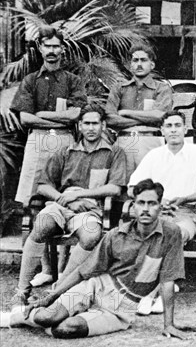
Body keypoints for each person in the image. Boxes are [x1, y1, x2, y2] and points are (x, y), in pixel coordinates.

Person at [1, 179, 188, 340]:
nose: (146, 209)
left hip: (122, 307)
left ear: (160, 206)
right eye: (141, 203)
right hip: (96, 286)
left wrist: (168, 324)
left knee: (64, 329)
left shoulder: (171, 234)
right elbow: (84, 271)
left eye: (152, 203)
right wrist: (50, 297)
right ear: (133, 206)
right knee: (46, 318)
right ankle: (15, 317)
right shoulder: (116, 235)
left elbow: (167, 281)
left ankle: (72, 314)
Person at [12, 105, 126, 305]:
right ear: (79, 126)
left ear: (103, 125)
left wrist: (81, 195)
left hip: (90, 209)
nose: (91, 128)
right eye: (87, 123)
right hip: (61, 204)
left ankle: (59, 288)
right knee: (41, 224)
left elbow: (115, 188)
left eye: (95, 123)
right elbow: (43, 185)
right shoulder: (65, 151)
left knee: (91, 235)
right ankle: (22, 291)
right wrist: (62, 198)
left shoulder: (114, 153)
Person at [11, 25, 87, 287]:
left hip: (65, 141)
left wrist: (42, 115)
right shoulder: (31, 80)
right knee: (33, 204)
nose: (52, 51)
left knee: (65, 199)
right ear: (40, 48)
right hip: (37, 143)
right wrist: (49, 118)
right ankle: (43, 268)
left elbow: (75, 115)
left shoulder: (72, 80)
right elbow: (24, 118)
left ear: (62, 49)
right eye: (47, 46)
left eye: (56, 46)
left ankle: (64, 268)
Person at [128, 110, 196, 313]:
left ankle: (150, 293)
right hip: (156, 212)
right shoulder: (154, 155)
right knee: (152, 234)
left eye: (178, 125)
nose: (174, 130)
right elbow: (132, 187)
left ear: (185, 129)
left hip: (187, 211)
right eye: (169, 126)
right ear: (162, 130)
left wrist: (185, 198)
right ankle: (163, 288)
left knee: (170, 234)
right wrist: (156, 201)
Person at [105, 44, 173, 181]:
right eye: (135, 61)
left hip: (151, 141)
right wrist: (146, 118)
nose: (139, 64)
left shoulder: (162, 88)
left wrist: (125, 112)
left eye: (143, 60)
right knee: (121, 186)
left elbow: (160, 116)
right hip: (123, 141)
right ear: (130, 65)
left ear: (152, 65)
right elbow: (110, 119)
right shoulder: (119, 88)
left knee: (149, 185)